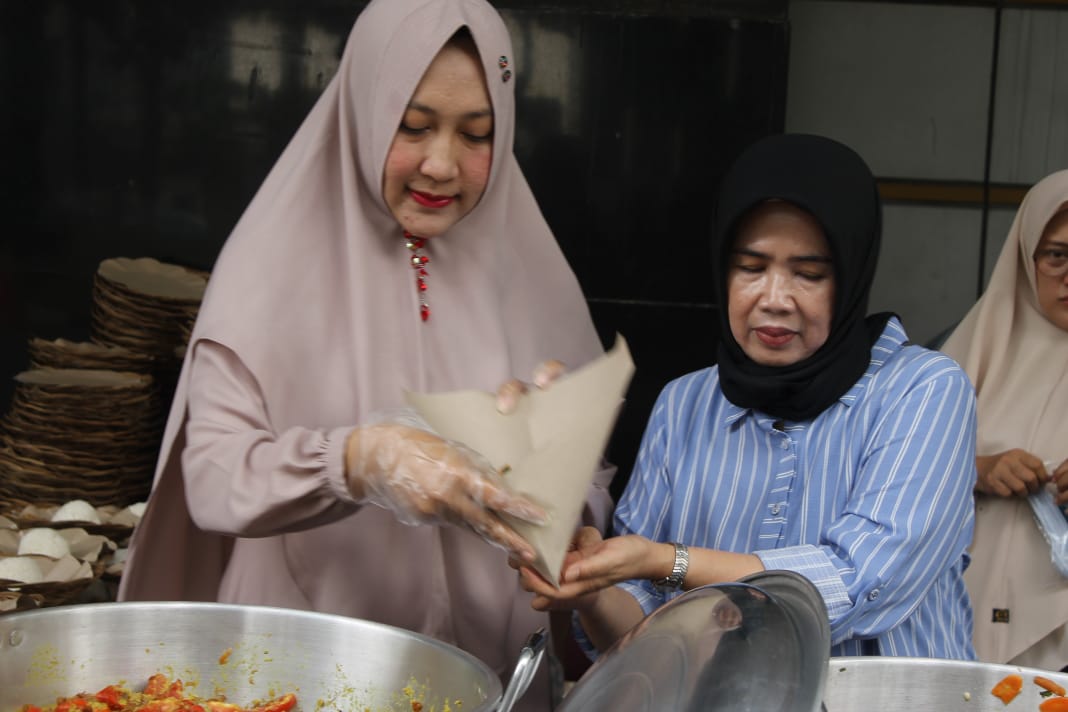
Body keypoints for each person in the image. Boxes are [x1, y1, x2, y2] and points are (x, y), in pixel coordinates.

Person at [116, 2, 615, 710]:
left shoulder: (528, 263)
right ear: (362, 110)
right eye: (412, 128)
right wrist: (357, 460)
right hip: (293, 672)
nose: (441, 165)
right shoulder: (269, 261)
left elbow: (590, 489)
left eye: (477, 135)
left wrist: (551, 471)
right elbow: (215, 478)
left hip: (489, 676)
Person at [515, 133, 978, 660]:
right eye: (751, 268)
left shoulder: (923, 392)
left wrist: (666, 560)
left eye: (808, 274)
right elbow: (638, 631)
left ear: (851, 277)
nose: (774, 299)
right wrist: (593, 591)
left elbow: (856, 581)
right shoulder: (684, 404)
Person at [941, 169, 1068, 671]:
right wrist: (980, 469)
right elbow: (886, 475)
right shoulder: (965, 355)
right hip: (955, 622)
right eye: (1056, 255)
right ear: (1025, 257)